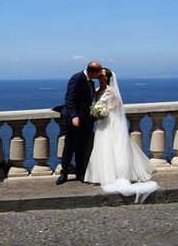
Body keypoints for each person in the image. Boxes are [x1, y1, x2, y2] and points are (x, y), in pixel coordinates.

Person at [84, 69, 158, 202]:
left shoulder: (111, 90)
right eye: (99, 73)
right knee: (103, 147)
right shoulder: (95, 90)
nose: (99, 75)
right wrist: (96, 111)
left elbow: (118, 103)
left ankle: (117, 174)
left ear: (107, 78)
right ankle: (103, 174)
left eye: (102, 74)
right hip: (102, 123)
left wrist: (105, 110)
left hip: (112, 122)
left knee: (115, 147)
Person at [57, 61, 102, 185]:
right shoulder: (77, 78)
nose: (98, 76)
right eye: (97, 74)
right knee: (69, 147)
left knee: (81, 148)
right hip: (75, 120)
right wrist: (74, 116)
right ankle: (64, 173)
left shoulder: (90, 82)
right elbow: (69, 99)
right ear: (92, 71)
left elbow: (88, 98)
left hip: (86, 120)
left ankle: (80, 173)